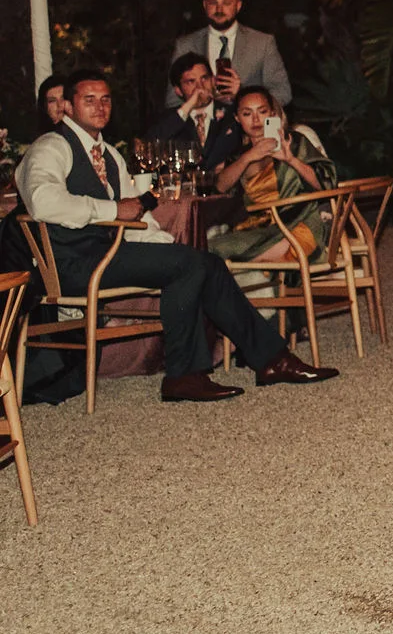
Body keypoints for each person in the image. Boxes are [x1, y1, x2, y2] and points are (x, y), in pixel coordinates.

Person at [16, 69, 337, 401]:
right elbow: (42, 202)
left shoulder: (109, 155)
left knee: (203, 263)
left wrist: (172, 248)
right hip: (70, 263)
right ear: (67, 106)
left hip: (109, 256)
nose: (99, 107)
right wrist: (112, 211)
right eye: (89, 100)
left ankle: (268, 360)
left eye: (106, 99)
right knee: (193, 264)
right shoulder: (51, 147)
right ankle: (193, 372)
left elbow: (141, 221)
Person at [211, 87, 339, 262]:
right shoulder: (239, 156)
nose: (256, 119)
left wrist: (291, 160)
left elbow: (327, 184)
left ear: (272, 113)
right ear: (237, 118)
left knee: (217, 256)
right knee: (209, 247)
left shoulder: (293, 142)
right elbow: (220, 187)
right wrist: (249, 157)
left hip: (299, 225)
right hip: (260, 229)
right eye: (247, 114)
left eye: (262, 112)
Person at [166, 0, 292, 108]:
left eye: (226, 3)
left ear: (238, 6)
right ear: (205, 5)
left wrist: (242, 95)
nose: (219, 9)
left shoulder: (262, 43)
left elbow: (283, 93)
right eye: (213, 3)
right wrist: (201, 101)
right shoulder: (185, 45)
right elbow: (172, 101)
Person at [146, 53, 246, 173]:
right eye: (190, 82)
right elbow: (149, 148)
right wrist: (188, 107)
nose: (200, 87)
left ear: (213, 80)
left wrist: (240, 97)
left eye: (204, 78)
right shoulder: (171, 119)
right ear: (178, 90)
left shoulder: (232, 113)